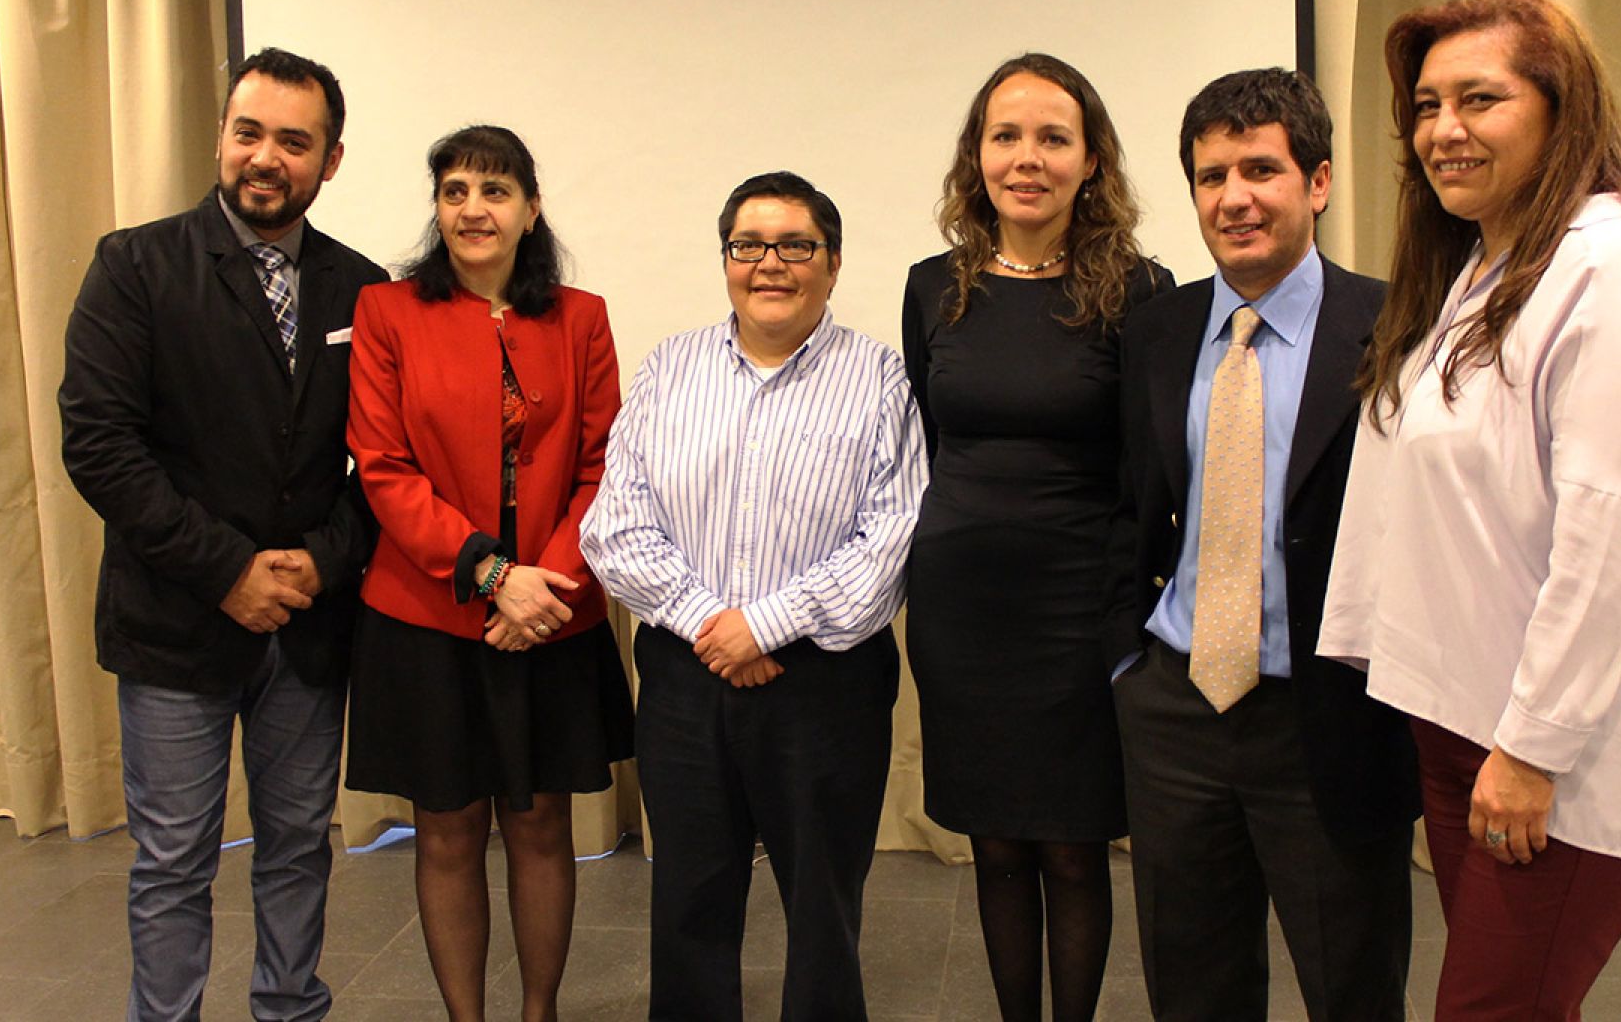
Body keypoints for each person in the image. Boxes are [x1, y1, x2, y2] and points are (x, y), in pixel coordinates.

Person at [1318, 0, 1621, 1020]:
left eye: (1479, 99)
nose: (1444, 130)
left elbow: (1604, 534)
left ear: (1560, 108)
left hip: (1554, 748)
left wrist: (1535, 750)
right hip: (1465, 721)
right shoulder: (1482, 264)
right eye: (1427, 106)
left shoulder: (1609, 265)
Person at [58, 48, 386, 1021]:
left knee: (298, 847)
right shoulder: (135, 266)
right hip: (175, 621)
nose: (266, 157)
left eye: (294, 141)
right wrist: (229, 571)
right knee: (173, 860)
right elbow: (100, 444)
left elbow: (389, 461)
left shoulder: (365, 290)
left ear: (330, 160)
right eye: (250, 133)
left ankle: (290, 1008)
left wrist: (321, 561)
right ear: (221, 137)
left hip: (309, 624)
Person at [1101, 68, 1418, 1021]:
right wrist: (1127, 663)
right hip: (1176, 708)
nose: (1233, 197)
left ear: (1317, 182)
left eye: (1260, 170)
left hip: (1327, 712)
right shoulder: (1157, 331)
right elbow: (1131, 503)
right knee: (1193, 988)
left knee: (1351, 986)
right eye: (1212, 177)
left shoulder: (1399, 324)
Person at [580, 171, 927, 1021]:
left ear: (833, 263)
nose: (770, 264)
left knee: (824, 905)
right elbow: (614, 526)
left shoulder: (882, 379)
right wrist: (715, 626)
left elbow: (890, 541)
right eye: (748, 245)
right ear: (727, 259)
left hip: (825, 683)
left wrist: (764, 626)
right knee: (689, 901)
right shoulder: (671, 368)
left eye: (796, 245)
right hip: (686, 677)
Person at [900, 52, 1173, 1020]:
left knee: (1072, 844)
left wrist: (1128, 619)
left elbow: (1147, 468)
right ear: (976, 157)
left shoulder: (1140, 290)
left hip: (1079, 612)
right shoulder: (932, 287)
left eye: (1053, 138)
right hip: (961, 612)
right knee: (997, 845)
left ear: (1090, 159)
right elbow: (930, 443)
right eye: (1005, 136)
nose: (1028, 158)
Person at [344, 124, 632, 1022]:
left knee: (542, 824)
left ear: (530, 210)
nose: (475, 209)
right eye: (456, 190)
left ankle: (539, 1013)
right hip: (428, 612)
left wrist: (541, 587)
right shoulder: (386, 311)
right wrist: (491, 573)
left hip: (552, 612)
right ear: (437, 207)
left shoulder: (581, 316)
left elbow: (604, 468)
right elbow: (383, 467)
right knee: (447, 827)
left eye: (496, 190)